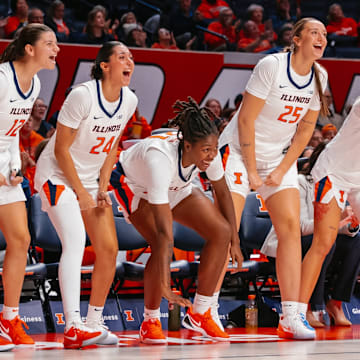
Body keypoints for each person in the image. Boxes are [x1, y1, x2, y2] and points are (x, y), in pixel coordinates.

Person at [218, 17, 328, 339]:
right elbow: (246, 119)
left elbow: (307, 129)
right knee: (227, 228)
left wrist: (281, 169)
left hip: (278, 156)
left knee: (291, 229)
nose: (321, 38)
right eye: (313, 32)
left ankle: (291, 316)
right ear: (296, 39)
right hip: (239, 150)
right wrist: (252, 170)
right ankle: (203, 310)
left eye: (324, 34)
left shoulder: (319, 76)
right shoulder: (272, 66)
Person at [110, 97, 243, 344]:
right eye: (206, 150)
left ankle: (200, 312)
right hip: (136, 187)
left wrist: (234, 240)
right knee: (160, 244)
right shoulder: (160, 158)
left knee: (221, 232)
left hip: (175, 185)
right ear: (188, 145)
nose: (211, 156)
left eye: (214, 149)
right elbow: (164, 233)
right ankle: (150, 321)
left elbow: (222, 192)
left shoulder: (207, 152)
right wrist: (165, 286)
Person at [34, 41, 138, 349]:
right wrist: (80, 191)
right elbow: (61, 149)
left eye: (131, 57)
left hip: (91, 179)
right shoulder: (82, 95)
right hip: (57, 176)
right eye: (122, 57)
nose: (129, 62)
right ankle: (73, 326)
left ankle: (93, 322)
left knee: (108, 248)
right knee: (76, 242)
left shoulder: (129, 100)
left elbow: (112, 146)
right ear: (105, 66)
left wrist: (102, 185)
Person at [0, 23, 59, 350]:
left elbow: (10, 136)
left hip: (3, 171)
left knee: (20, 239)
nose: (57, 49)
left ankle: (9, 317)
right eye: (49, 43)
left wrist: (11, 167)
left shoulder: (33, 82)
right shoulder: (2, 79)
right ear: (29, 48)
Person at [261, 142, 360, 328]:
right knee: (324, 241)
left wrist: (351, 224)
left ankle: (336, 303)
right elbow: (299, 227)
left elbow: (338, 228)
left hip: (317, 238)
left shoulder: (338, 187)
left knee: (356, 241)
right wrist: (334, 221)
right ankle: (308, 308)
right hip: (288, 244)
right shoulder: (300, 182)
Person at [299, 96, 360, 328]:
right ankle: (297, 312)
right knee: (324, 243)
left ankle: (336, 302)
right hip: (332, 173)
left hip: (357, 177)